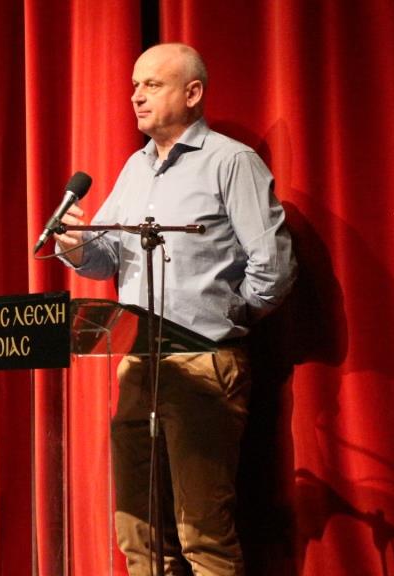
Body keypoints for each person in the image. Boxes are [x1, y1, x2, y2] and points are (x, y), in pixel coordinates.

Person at [54, 43, 296, 575]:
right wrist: (76, 245)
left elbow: (274, 267)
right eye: (134, 86)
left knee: (203, 535)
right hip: (138, 362)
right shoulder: (135, 167)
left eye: (152, 85)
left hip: (203, 363)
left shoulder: (231, 162)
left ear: (192, 93)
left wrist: (227, 319)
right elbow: (106, 258)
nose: (136, 96)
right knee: (138, 534)